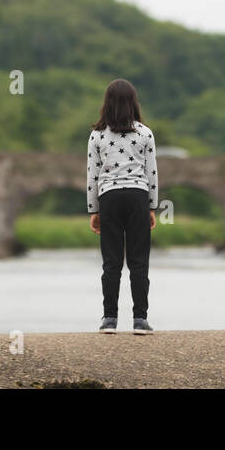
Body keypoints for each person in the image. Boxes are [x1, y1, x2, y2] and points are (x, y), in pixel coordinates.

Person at [86, 78, 158, 333]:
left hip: (109, 197)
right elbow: (151, 173)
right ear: (133, 103)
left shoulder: (97, 135)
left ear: (107, 104)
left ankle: (109, 319)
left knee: (111, 262)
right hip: (137, 194)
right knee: (139, 261)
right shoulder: (145, 133)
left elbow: (93, 175)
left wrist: (94, 210)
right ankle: (140, 319)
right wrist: (151, 206)